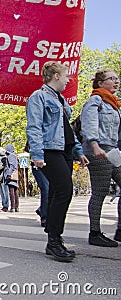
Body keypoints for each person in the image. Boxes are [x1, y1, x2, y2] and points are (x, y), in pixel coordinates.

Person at [26, 61, 89, 262]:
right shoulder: (39, 97)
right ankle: (53, 240)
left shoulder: (61, 101)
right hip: (50, 149)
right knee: (64, 190)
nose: (68, 79)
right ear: (55, 76)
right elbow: (34, 126)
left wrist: (79, 151)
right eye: (65, 75)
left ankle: (55, 240)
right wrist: (37, 154)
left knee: (56, 192)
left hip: (66, 151)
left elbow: (68, 130)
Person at [81, 69, 121, 247]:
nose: (116, 82)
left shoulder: (114, 104)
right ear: (100, 83)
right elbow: (89, 125)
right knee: (100, 191)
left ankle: (120, 230)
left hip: (112, 150)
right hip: (97, 151)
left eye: (117, 79)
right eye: (111, 79)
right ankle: (95, 233)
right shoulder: (95, 101)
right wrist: (95, 145)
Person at [3, 144, 19, 212]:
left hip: (11, 175)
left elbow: (11, 166)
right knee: (15, 191)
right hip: (14, 175)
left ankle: (13, 207)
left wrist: (8, 174)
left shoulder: (10, 156)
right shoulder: (14, 155)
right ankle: (16, 207)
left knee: (11, 191)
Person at [0, 147, 10, 212]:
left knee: (5, 192)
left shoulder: (4, 158)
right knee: (1, 192)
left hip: (3, 178)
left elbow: (2, 166)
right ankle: (3, 205)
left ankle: (6, 206)